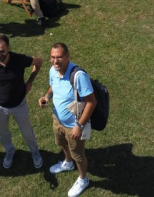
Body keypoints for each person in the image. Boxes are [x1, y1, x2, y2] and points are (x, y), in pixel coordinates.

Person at [0, 35, 43, 169]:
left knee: (27, 132)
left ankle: (35, 152)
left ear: (9, 48)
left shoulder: (20, 59)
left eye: (2, 51)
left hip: (19, 104)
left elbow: (38, 62)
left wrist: (30, 82)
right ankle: (10, 151)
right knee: (3, 132)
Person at [38, 43, 96, 197]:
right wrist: (46, 97)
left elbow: (91, 102)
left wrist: (79, 125)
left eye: (59, 57)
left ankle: (83, 179)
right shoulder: (53, 70)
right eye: (52, 57)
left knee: (78, 154)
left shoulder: (79, 76)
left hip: (73, 126)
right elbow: (52, 87)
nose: (55, 61)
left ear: (67, 56)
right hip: (57, 119)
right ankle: (68, 163)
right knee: (62, 143)